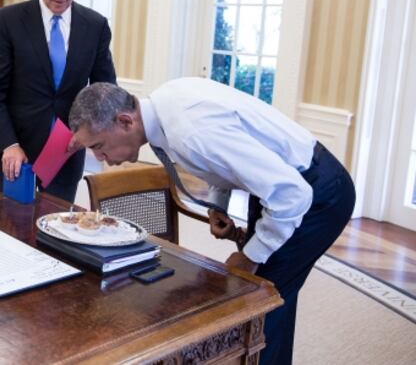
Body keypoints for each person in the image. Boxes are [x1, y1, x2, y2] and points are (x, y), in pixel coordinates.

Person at [68, 80, 356, 365]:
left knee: (259, 304)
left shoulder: (190, 133)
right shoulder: (165, 104)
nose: (99, 156)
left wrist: (250, 256)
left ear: (125, 121)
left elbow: (293, 195)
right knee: (273, 299)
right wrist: (218, 204)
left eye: (99, 146)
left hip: (316, 195)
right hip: (278, 190)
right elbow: (228, 153)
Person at [0, 0, 116, 202]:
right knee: (10, 231)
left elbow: (105, 89)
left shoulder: (95, 25)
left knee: (57, 233)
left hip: (67, 152)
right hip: (15, 153)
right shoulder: (9, 20)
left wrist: (88, 132)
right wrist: (9, 144)